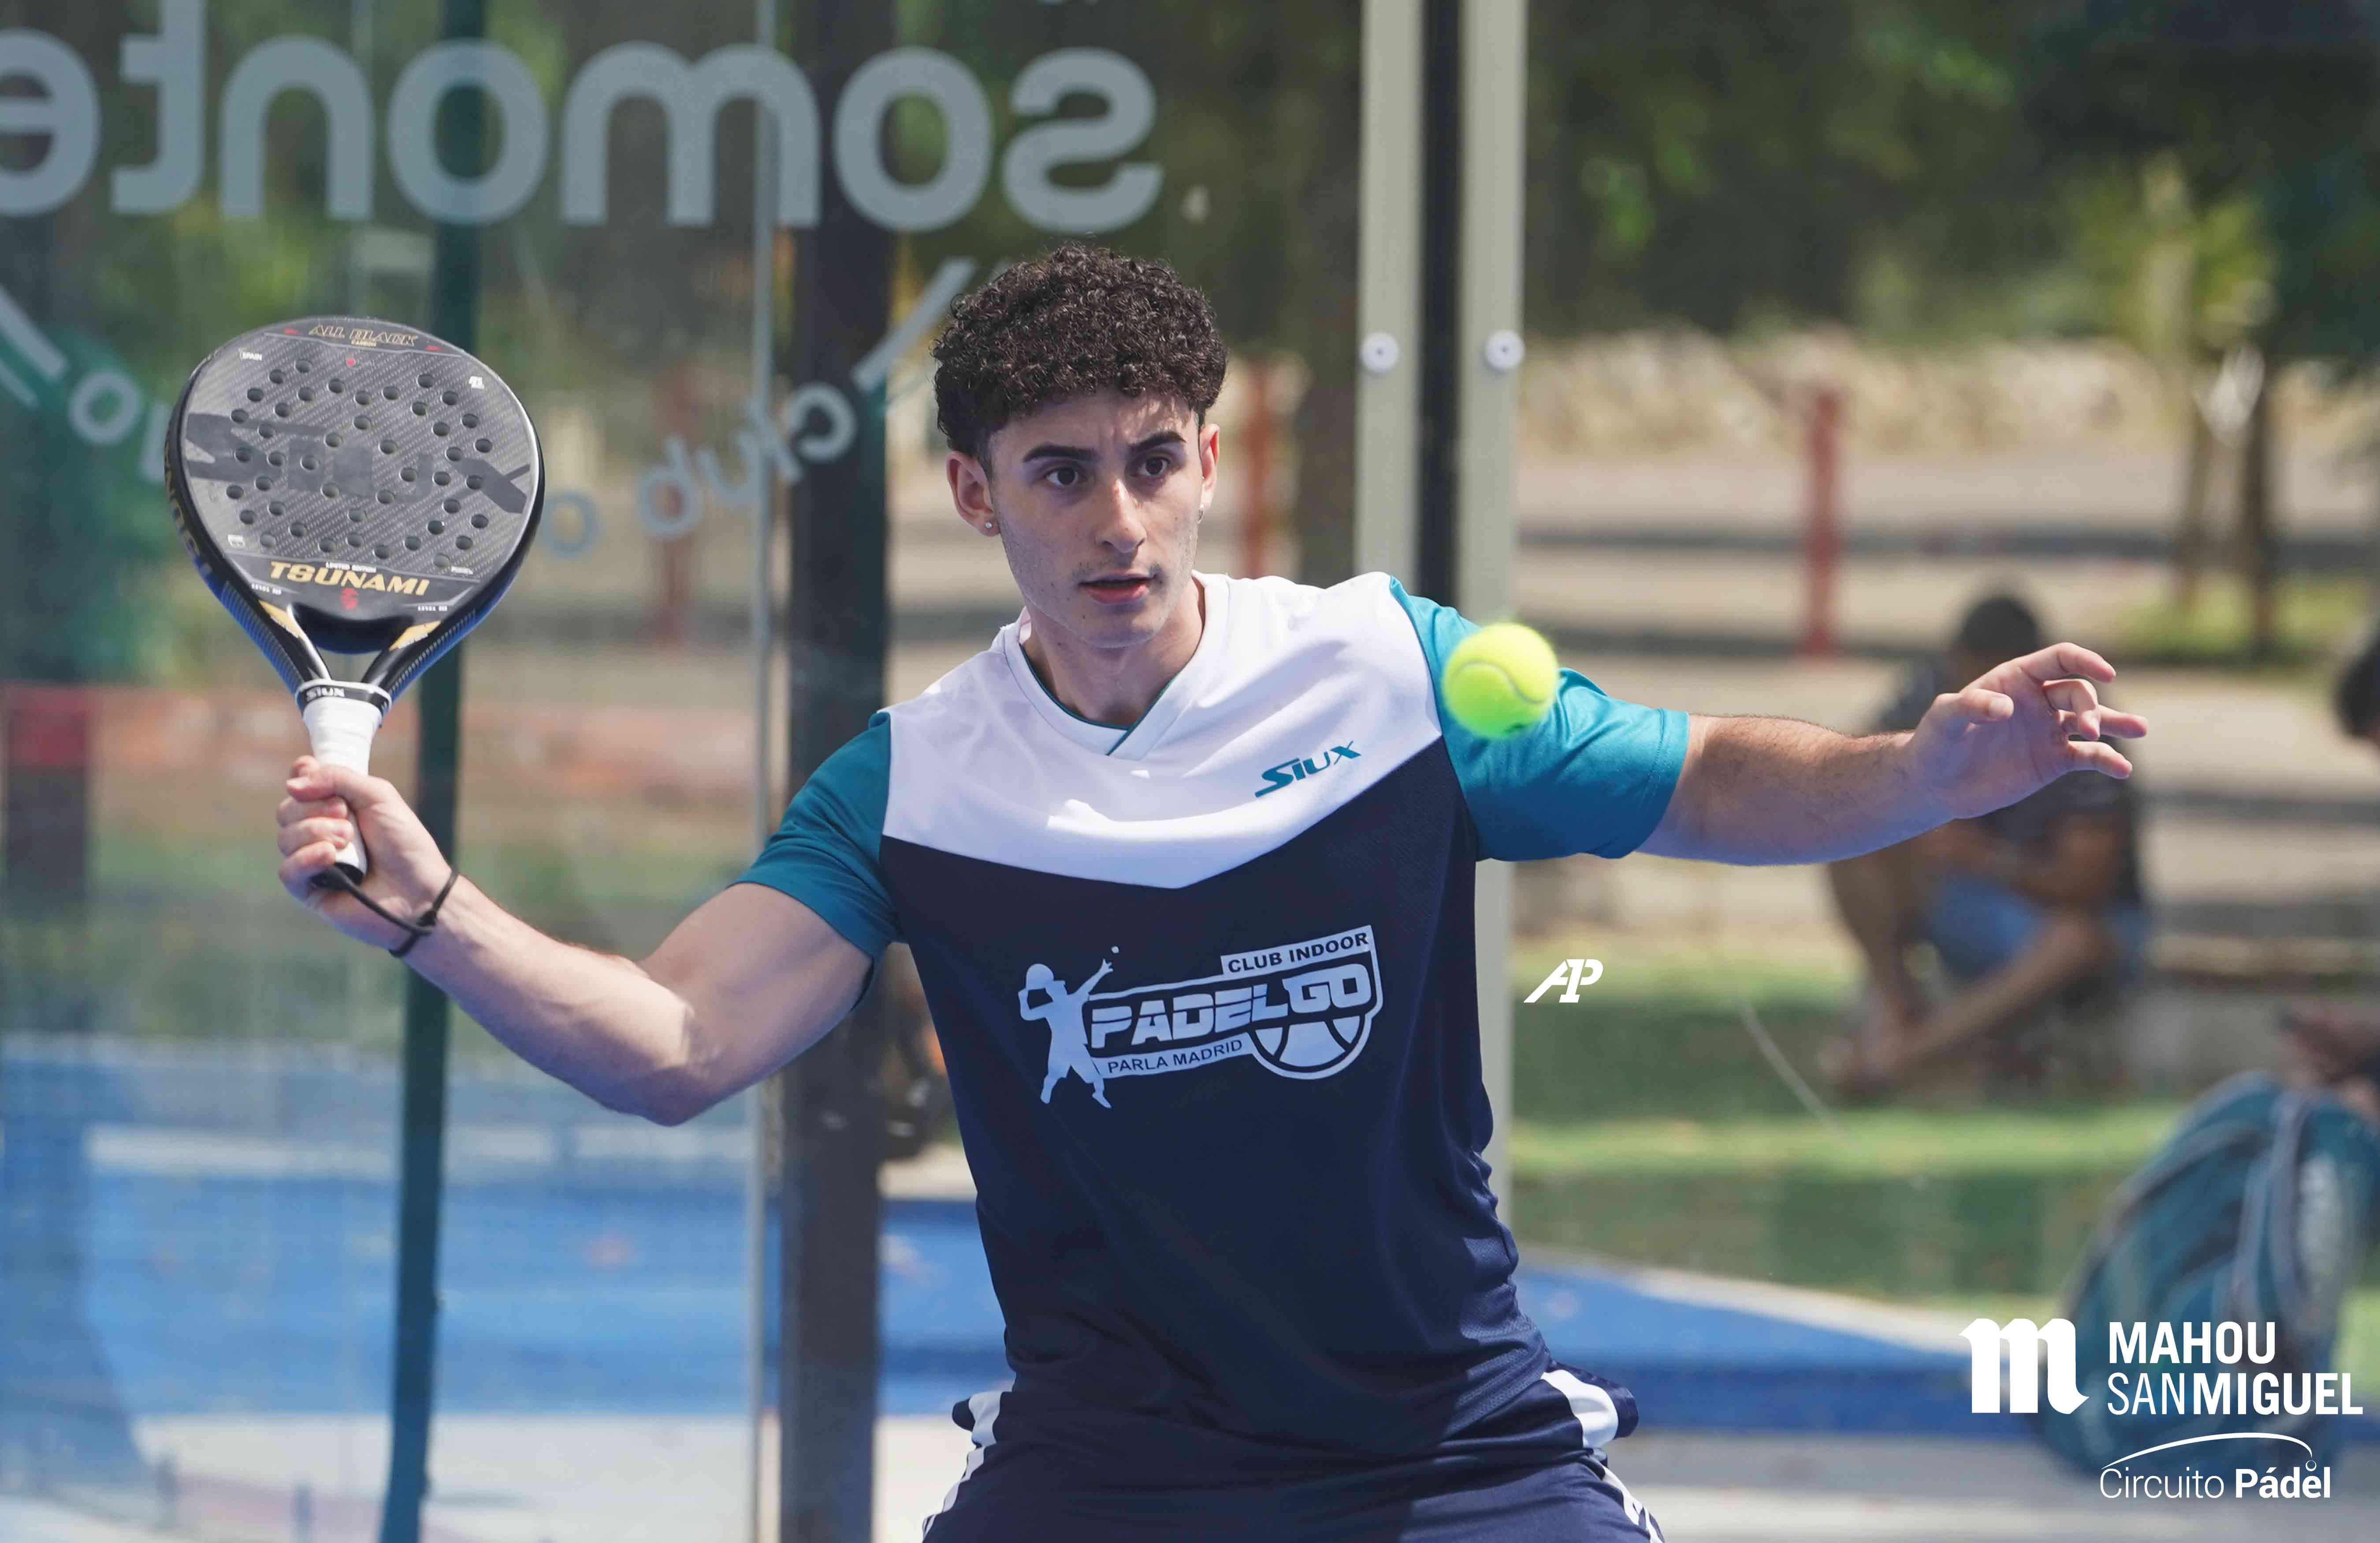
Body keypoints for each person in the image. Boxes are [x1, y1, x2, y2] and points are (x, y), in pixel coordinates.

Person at [271, 245, 2145, 1541]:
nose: (1118, 518)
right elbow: (677, 1039)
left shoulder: (1389, 676)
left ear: (1209, 461)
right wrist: (440, 914)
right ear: (973, 494)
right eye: (1060, 475)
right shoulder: (913, 784)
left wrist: (1921, 774)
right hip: (1113, 1473)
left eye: (1153, 462)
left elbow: (1705, 777)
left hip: (1449, 1453)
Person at [1822, 594, 2149, 1100]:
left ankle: (1904, 1056)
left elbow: (2087, 884)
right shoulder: (1931, 693)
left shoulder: (2081, 727)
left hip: (2054, 913)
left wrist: (1987, 858)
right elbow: (1857, 781)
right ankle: (1896, 1009)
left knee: (2074, 943)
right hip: (1965, 891)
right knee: (1848, 840)